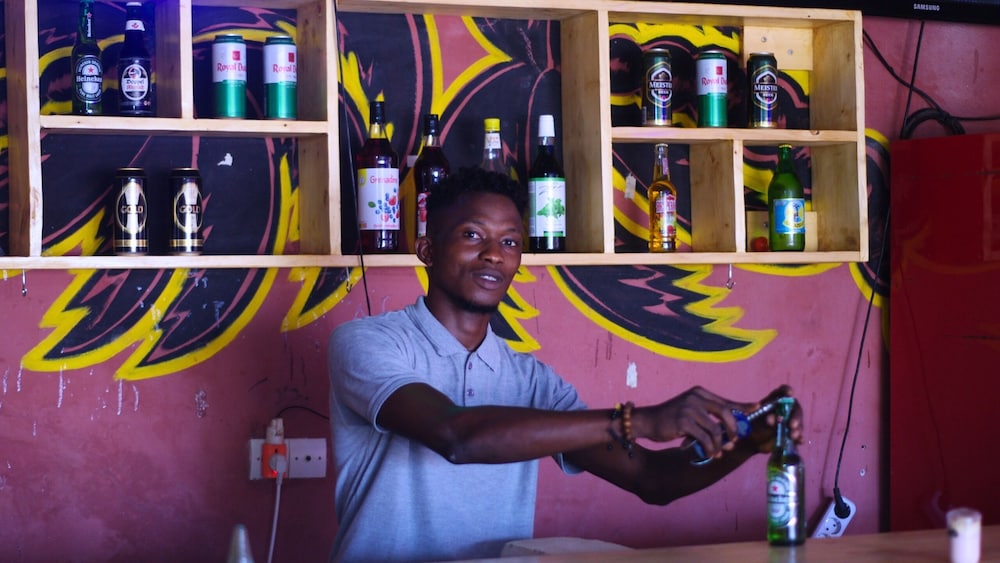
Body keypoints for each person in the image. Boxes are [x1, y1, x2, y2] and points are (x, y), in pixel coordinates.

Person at [328, 166, 802, 562]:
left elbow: (651, 479)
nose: (493, 254)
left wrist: (746, 444)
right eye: (472, 235)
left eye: (510, 242)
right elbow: (456, 436)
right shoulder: (367, 342)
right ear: (427, 251)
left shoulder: (532, 381)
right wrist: (637, 420)